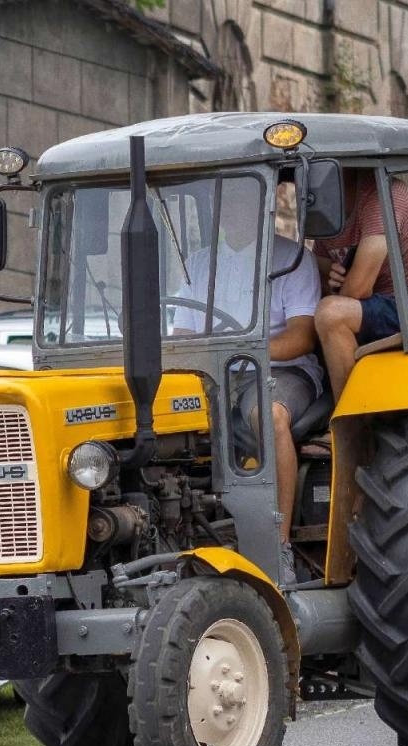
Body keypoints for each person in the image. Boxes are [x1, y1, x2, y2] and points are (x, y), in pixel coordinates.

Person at [170, 188, 322, 569]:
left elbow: (302, 335)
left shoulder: (292, 259)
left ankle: (279, 545)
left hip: (282, 369)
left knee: (269, 417)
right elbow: (182, 335)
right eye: (228, 202)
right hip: (215, 375)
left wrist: (244, 353)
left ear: (262, 207)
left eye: (244, 200)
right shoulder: (200, 263)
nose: (235, 211)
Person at [310, 170, 408, 404]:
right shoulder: (328, 216)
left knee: (332, 314)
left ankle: (350, 424)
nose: (305, 188)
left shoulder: (382, 198)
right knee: (306, 321)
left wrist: (333, 282)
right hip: (390, 306)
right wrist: (328, 272)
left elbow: (357, 291)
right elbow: (320, 276)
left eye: (311, 173)